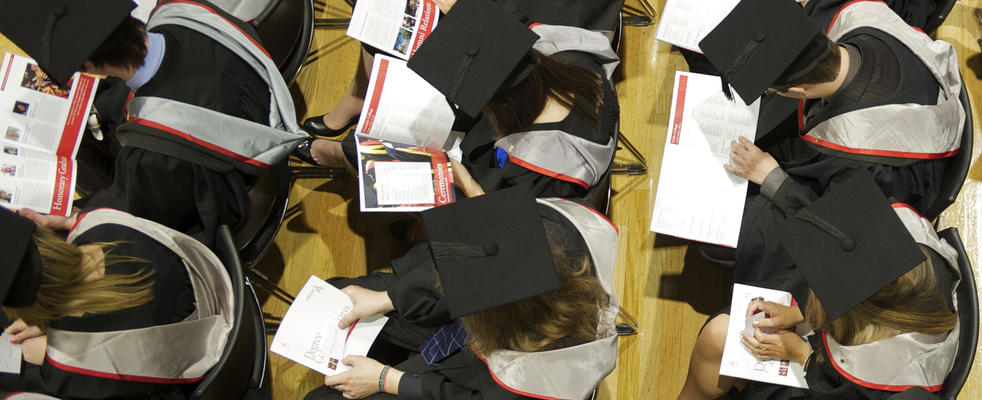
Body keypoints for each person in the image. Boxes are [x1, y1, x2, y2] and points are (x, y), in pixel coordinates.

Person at [0, 0, 307, 247]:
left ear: (89, 66)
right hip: (255, 119)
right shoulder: (191, 13)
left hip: (232, 197)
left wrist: (81, 216)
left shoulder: (155, 155)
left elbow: (141, 213)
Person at [303, 184, 620, 399]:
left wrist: (385, 379)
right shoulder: (562, 236)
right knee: (338, 296)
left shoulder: (533, 376)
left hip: (461, 380)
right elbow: (485, 260)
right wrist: (387, 299)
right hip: (465, 328)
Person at [676, 176, 962, 399]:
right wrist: (799, 314)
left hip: (824, 385)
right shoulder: (906, 244)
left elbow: (838, 392)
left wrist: (802, 355)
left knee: (717, 339)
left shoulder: (886, 377)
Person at [304, 0, 620, 200]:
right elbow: (511, 37)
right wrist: (464, 14)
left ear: (495, 108)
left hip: (485, 177)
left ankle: (342, 153)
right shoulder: (564, 61)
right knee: (389, 30)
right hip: (512, 123)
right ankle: (360, 99)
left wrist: (464, 180)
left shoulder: (540, 166)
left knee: (366, 152)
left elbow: (501, 221)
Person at [698, 0, 967, 217]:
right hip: (916, 94)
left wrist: (773, 178)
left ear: (798, 91)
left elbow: (842, 223)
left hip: (894, 178)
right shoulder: (863, 16)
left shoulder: (859, 163)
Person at [0, 208, 235, 398]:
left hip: (207, 364)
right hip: (226, 289)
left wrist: (49, 356)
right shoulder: (99, 224)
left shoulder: (73, 361)